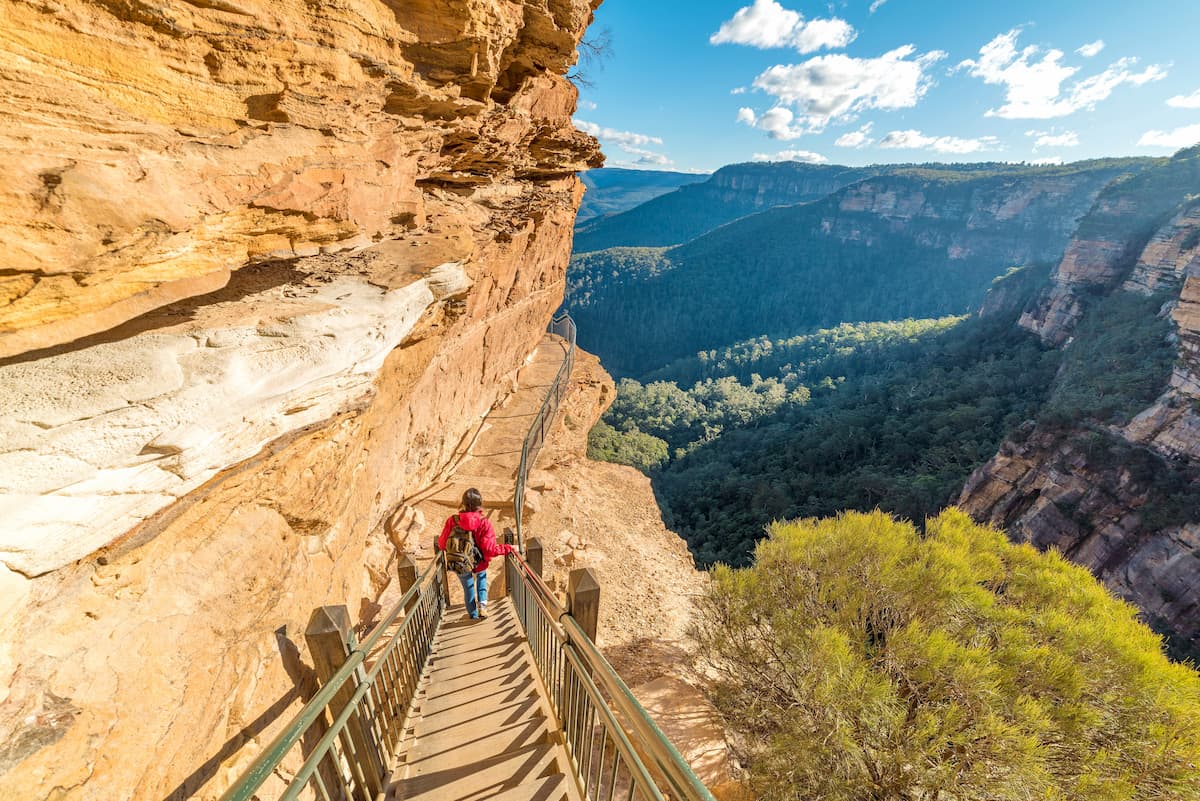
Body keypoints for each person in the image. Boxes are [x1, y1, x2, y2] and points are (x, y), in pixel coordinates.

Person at [436, 488, 514, 620]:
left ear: (463, 503)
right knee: (481, 578)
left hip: (460, 561)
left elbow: (442, 545)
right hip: (479, 561)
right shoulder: (484, 523)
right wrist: (508, 548)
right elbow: (489, 549)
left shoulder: (452, 521)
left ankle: (473, 615)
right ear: (480, 504)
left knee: (468, 588)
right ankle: (482, 606)